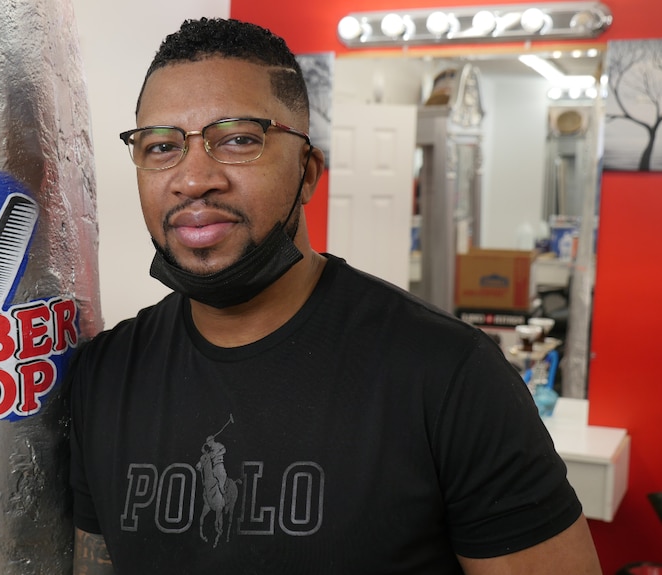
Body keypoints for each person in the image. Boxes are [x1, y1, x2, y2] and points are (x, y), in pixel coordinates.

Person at [68, 17, 602, 574]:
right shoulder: (105, 375)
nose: (193, 177)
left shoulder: (447, 375)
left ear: (308, 172)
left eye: (239, 139)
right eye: (160, 147)